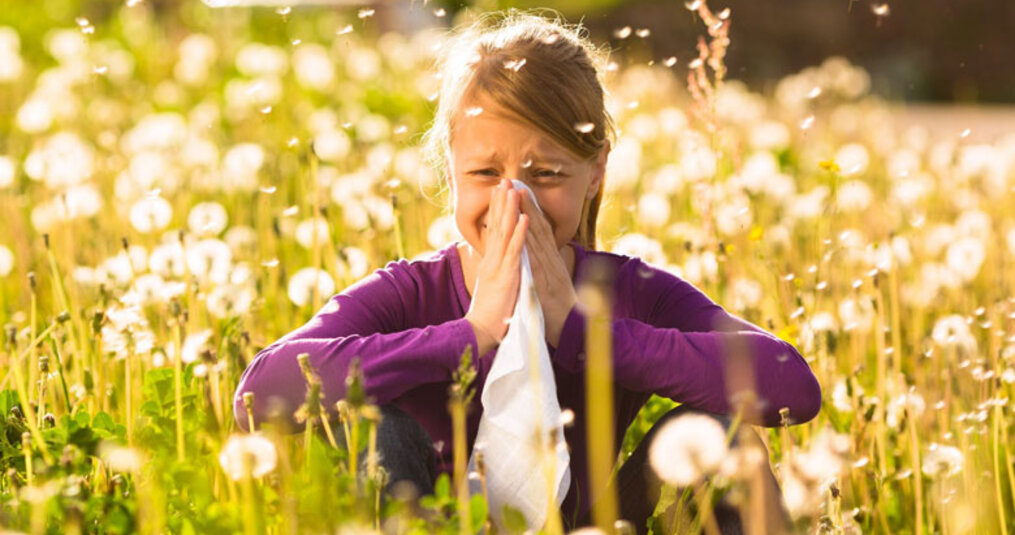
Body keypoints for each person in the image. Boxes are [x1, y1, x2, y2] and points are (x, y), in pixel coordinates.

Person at [233, 9, 821, 534]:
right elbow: (259, 394)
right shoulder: (411, 291)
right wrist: (472, 335)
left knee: (726, 437)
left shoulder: (626, 291)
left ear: (595, 173)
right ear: (451, 172)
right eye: (486, 173)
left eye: (545, 175)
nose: (514, 201)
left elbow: (791, 385)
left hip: (593, 527)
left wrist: (586, 332)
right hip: (428, 523)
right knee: (376, 430)